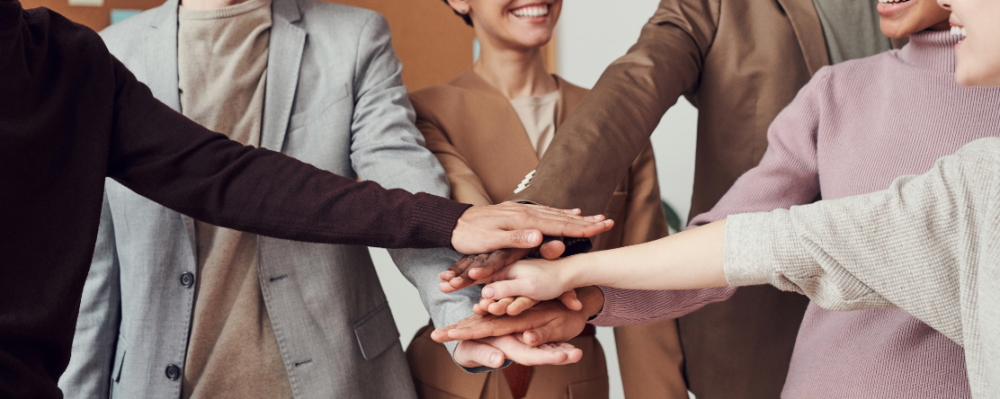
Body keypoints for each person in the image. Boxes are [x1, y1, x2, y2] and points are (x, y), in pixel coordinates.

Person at [0, 0, 613, 397]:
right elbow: (93, 273)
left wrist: (459, 310)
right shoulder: (115, 50)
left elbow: (235, 175)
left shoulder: (64, 60)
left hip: (331, 379)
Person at [442, 0, 1000, 396]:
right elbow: (735, 239)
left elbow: (785, 242)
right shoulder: (838, 91)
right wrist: (577, 289)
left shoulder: (979, 161)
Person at [404, 1, 685, 398]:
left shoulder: (616, 120)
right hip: (451, 379)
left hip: (573, 375)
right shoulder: (419, 115)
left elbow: (649, 280)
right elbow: (471, 210)